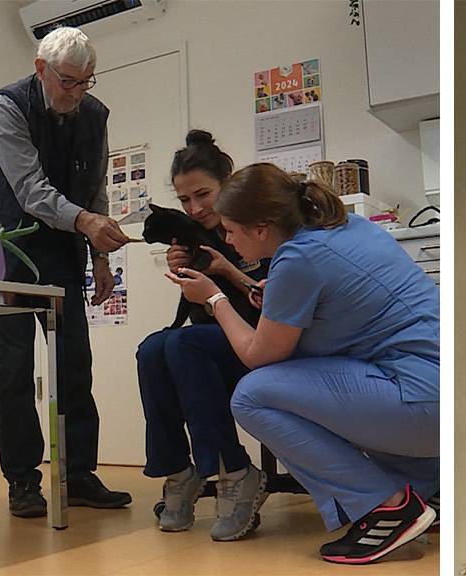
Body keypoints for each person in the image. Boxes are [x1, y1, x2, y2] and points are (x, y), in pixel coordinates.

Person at [166, 163, 439, 564]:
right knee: (322, 384)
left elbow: (258, 356)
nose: (226, 238)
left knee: (253, 396)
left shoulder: (298, 260)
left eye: (230, 230)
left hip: (423, 403)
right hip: (439, 391)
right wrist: (263, 293)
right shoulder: (346, 227)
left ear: (261, 228)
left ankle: (387, 508)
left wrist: (214, 298)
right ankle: (425, 485)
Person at [0, 27, 132, 518]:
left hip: (61, 252)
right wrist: (85, 222)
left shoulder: (94, 114)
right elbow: (30, 188)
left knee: (74, 366)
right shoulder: (6, 107)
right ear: (41, 69)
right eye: (67, 82)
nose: (76, 93)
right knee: (13, 373)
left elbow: (95, 186)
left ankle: (79, 473)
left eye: (86, 82)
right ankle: (22, 482)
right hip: (4, 253)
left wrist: (101, 257)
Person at [136, 130, 273, 541]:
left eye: (203, 195)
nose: (194, 209)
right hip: (215, 343)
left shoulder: (259, 224)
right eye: (184, 201)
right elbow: (204, 314)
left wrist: (223, 273)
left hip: (264, 341)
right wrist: (188, 274)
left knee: (181, 343)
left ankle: (235, 470)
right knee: (152, 349)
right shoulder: (197, 235)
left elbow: (276, 304)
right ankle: (180, 471)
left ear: (228, 181)